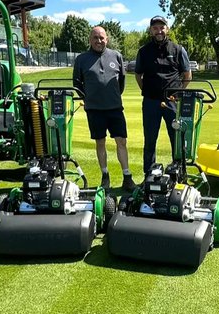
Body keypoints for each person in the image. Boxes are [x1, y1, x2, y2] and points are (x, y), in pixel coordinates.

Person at [73, 26, 135, 192]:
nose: (99, 41)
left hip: (115, 108)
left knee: (121, 141)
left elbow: (121, 82)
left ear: (106, 39)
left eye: (101, 38)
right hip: (94, 110)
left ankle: (127, 177)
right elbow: (77, 85)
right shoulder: (81, 59)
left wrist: (112, 96)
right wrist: (90, 100)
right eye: (95, 38)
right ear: (90, 40)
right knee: (100, 142)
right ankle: (105, 175)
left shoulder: (116, 56)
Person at [134, 15, 192, 175]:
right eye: (155, 28)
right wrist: (146, 90)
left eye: (162, 27)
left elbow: (188, 75)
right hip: (151, 102)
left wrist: (178, 93)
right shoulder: (144, 51)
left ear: (167, 29)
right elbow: (138, 75)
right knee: (150, 140)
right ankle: (148, 175)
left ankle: (179, 173)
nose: (159, 31)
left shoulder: (178, 49)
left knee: (177, 139)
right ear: (151, 30)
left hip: (172, 102)